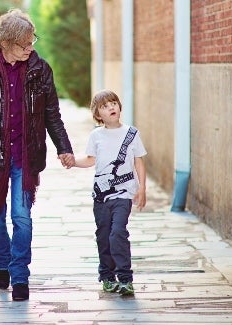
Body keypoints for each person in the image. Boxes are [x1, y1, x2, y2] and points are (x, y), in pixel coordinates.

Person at [0, 8, 75, 301]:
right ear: (6, 42)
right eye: (24, 44)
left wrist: (64, 148)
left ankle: (20, 276)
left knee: (22, 217)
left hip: (26, 154)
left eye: (31, 42)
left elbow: (52, 115)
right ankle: (2, 260)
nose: (29, 48)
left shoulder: (40, 69)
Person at [73, 89, 147, 296]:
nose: (111, 107)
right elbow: (90, 160)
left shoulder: (131, 133)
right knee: (103, 236)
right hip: (101, 196)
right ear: (98, 115)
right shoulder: (96, 135)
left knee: (118, 234)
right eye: (104, 106)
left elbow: (139, 161)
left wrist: (142, 188)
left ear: (119, 107)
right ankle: (107, 276)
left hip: (124, 194)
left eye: (113, 103)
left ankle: (125, 278)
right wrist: (72, 162)